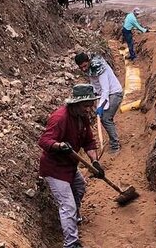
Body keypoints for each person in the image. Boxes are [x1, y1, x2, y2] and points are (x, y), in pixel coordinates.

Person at [38, 84, 105, 248]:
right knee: (67, 205)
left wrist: (95, 162)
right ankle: (71, 243)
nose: (89, 109)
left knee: (80, 187)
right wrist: (59, 146)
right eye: (86, 105)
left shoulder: (82, 118)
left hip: (70, 166)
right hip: (54, 169)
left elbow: (89, 142)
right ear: (75, 104)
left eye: (90, 105)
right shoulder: (60, 118)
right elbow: (44, 141)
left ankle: (73, 218)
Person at [74, 53, 123, 153]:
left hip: (114, 93)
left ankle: (115, 145)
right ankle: (113, 139)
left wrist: (101, 106)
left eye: (85, 66)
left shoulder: (100, 68)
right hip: (104, 94)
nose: (83, 69)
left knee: (105, 118)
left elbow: (105, 89)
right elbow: (94, 84)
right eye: (81, 67)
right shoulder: (90, 69)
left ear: (89, 61)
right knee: (105, 118)